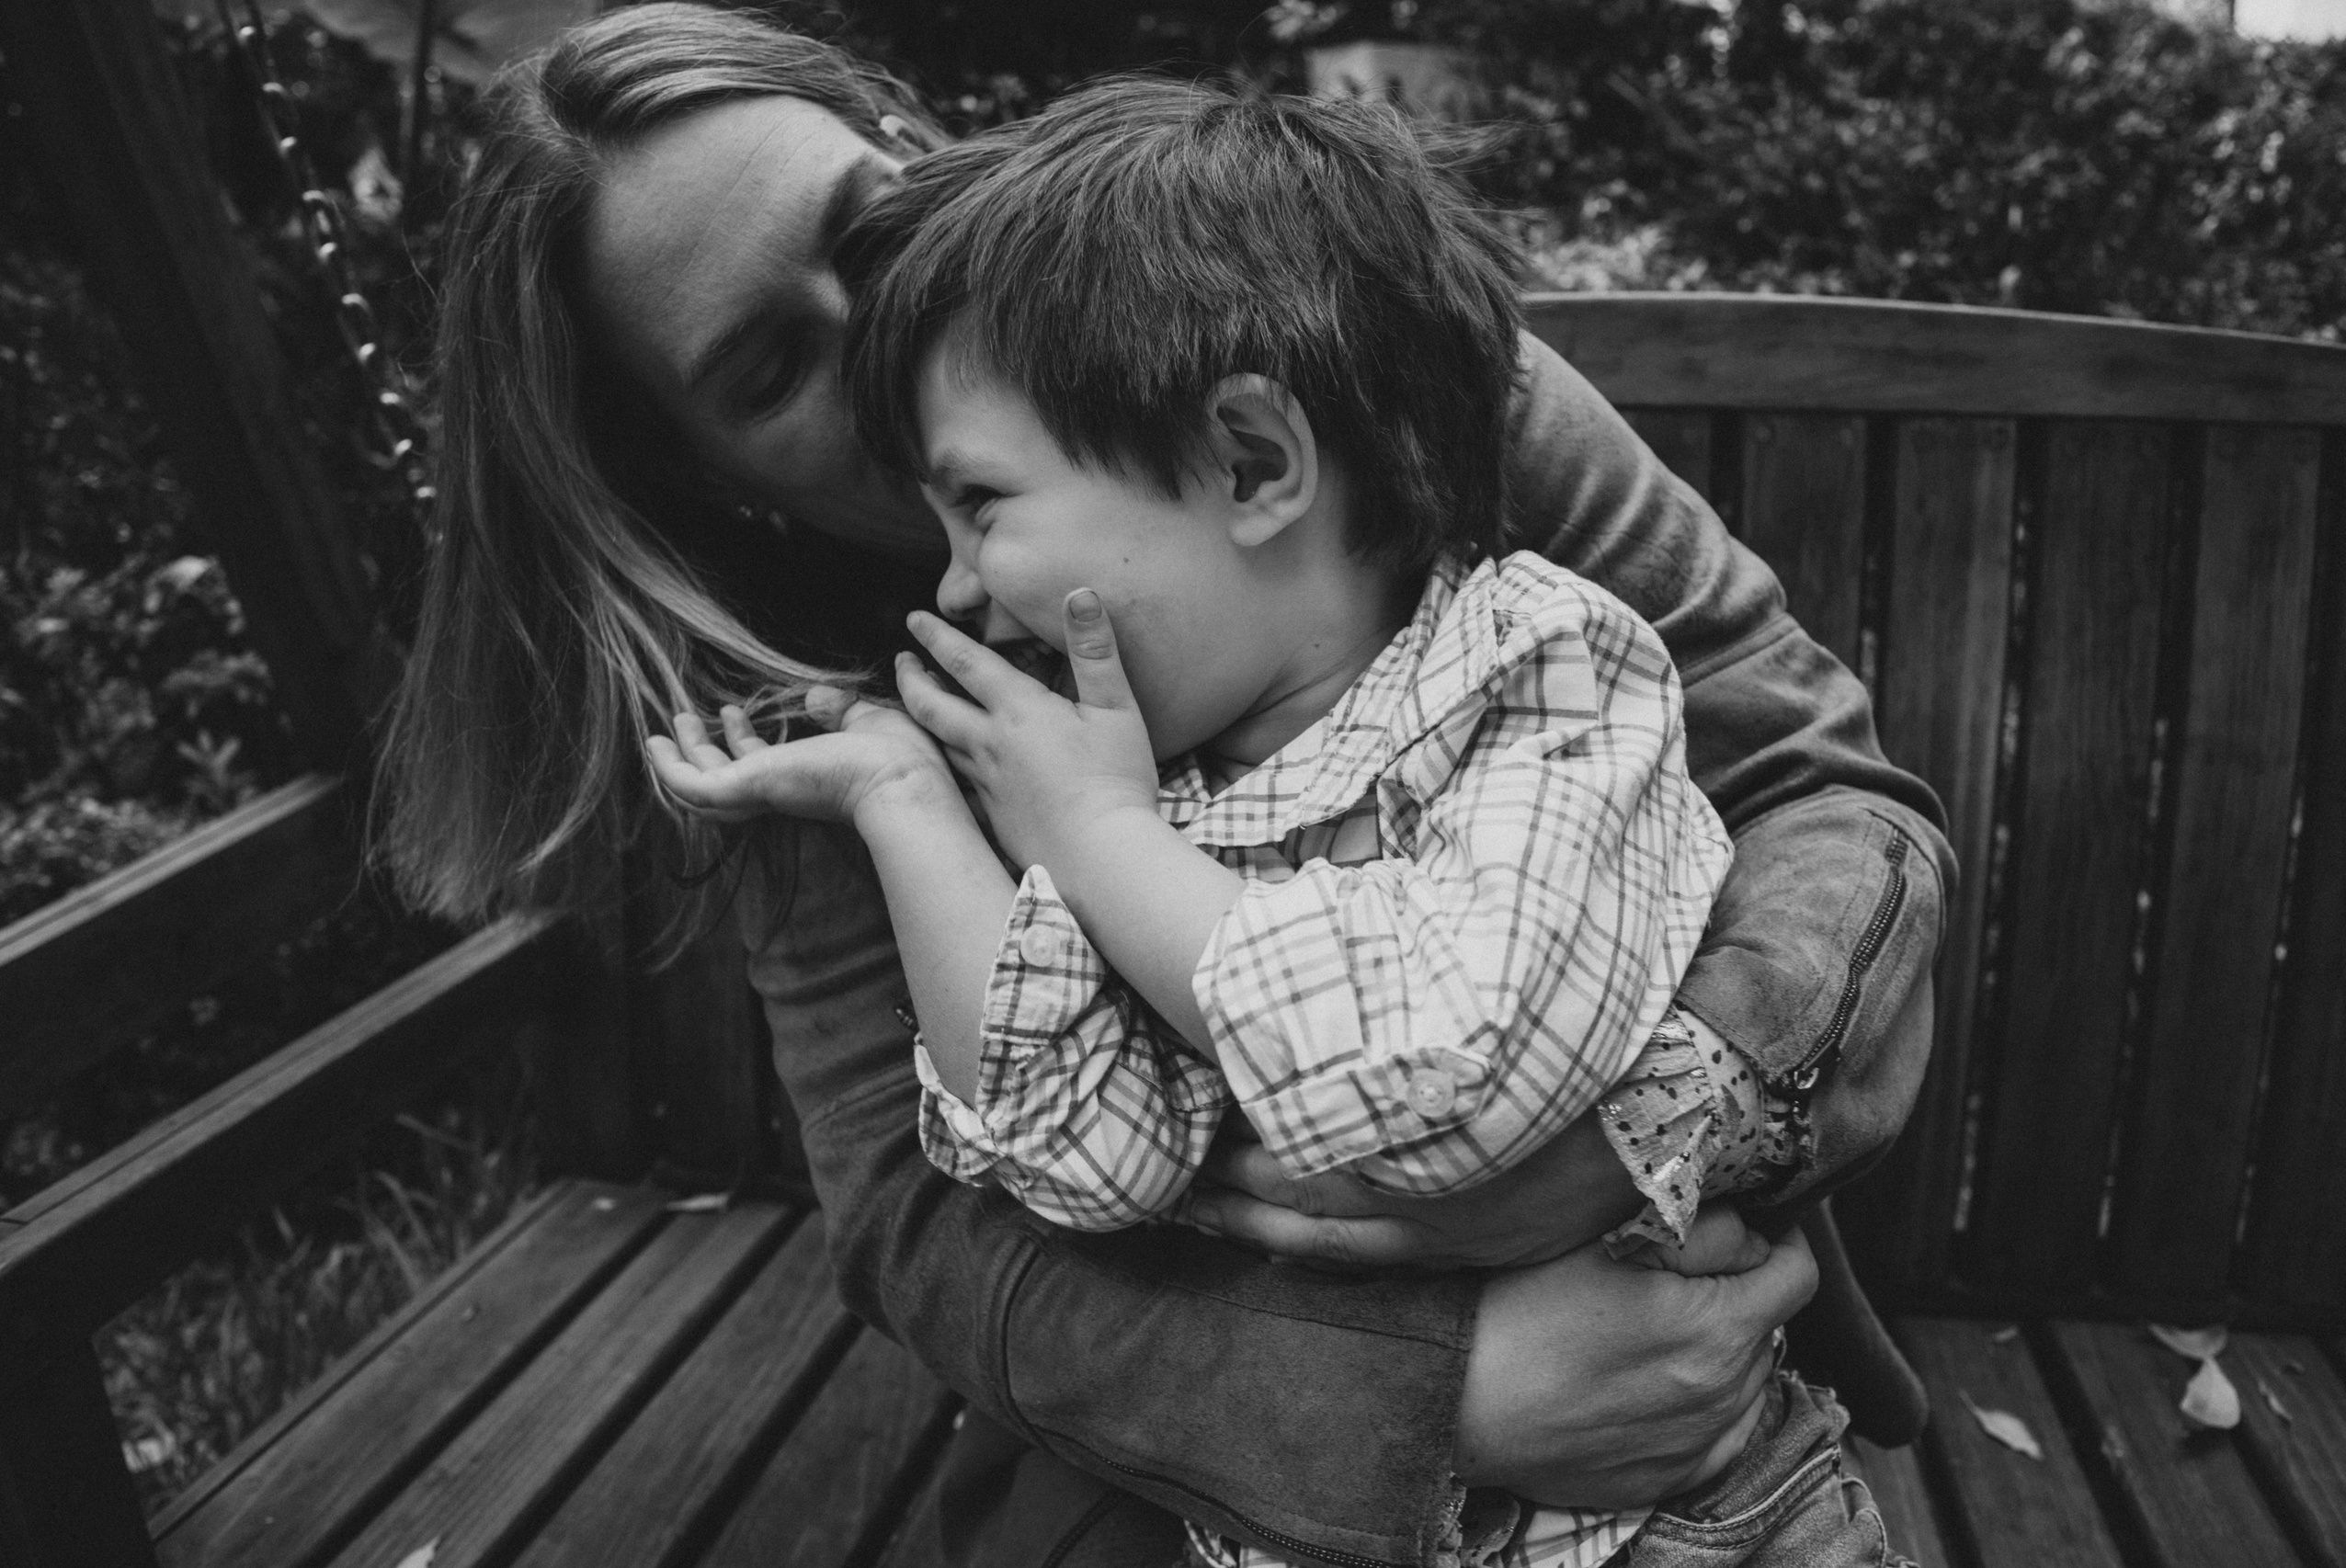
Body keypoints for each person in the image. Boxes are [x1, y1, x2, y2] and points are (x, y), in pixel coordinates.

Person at [380, 6, 1950, 1563]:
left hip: (1676, 1348)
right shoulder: (810, 711)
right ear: (708, 482)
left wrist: (1629, 1129)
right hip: (1215, 1414)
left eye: (867, 228)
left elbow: (1818, 791)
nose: (869, 335)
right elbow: (934, 1219)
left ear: (908, 144)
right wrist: (1432, 1392)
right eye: (774, 364)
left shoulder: (1342, 355)